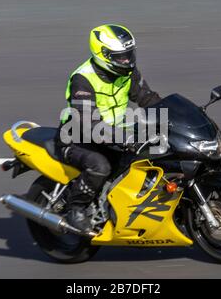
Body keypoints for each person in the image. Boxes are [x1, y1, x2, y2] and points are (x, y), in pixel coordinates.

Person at [56, 24, 162, 232]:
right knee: (100, 166)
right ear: (102, 54)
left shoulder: (127, 73)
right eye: (120, 57)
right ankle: (75, 208)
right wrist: (126, 139)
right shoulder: (83, 79)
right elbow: (89, 124)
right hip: (77, 136)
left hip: (112, 131)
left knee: (156, 149)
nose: (127, 61)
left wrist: (173, 115)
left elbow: (148, 98)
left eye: (129, 54)